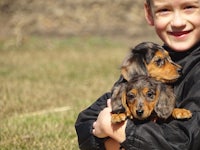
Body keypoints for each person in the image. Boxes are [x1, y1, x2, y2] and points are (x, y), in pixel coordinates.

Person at [75, 0, 200, 149]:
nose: (178, 22)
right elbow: (86, 121)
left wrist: (121, 132)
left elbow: (187, 140)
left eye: (189, 7)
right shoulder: (142, 64)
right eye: (164, 10)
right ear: (149, 13)